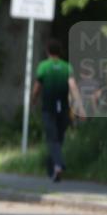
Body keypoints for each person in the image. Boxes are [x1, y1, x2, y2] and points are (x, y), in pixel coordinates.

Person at [31, 38, 86, 182]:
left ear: (47, 51)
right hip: (64, 108)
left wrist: (33, 100)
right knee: (58, 139)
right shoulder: (67, 67)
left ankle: (57, 165)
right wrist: (80, 107)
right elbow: (73, 87)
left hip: (48, 108)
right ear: (60, 52)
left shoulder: (43, 66)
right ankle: (53, 169)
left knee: (52, 138)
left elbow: (37, 87)